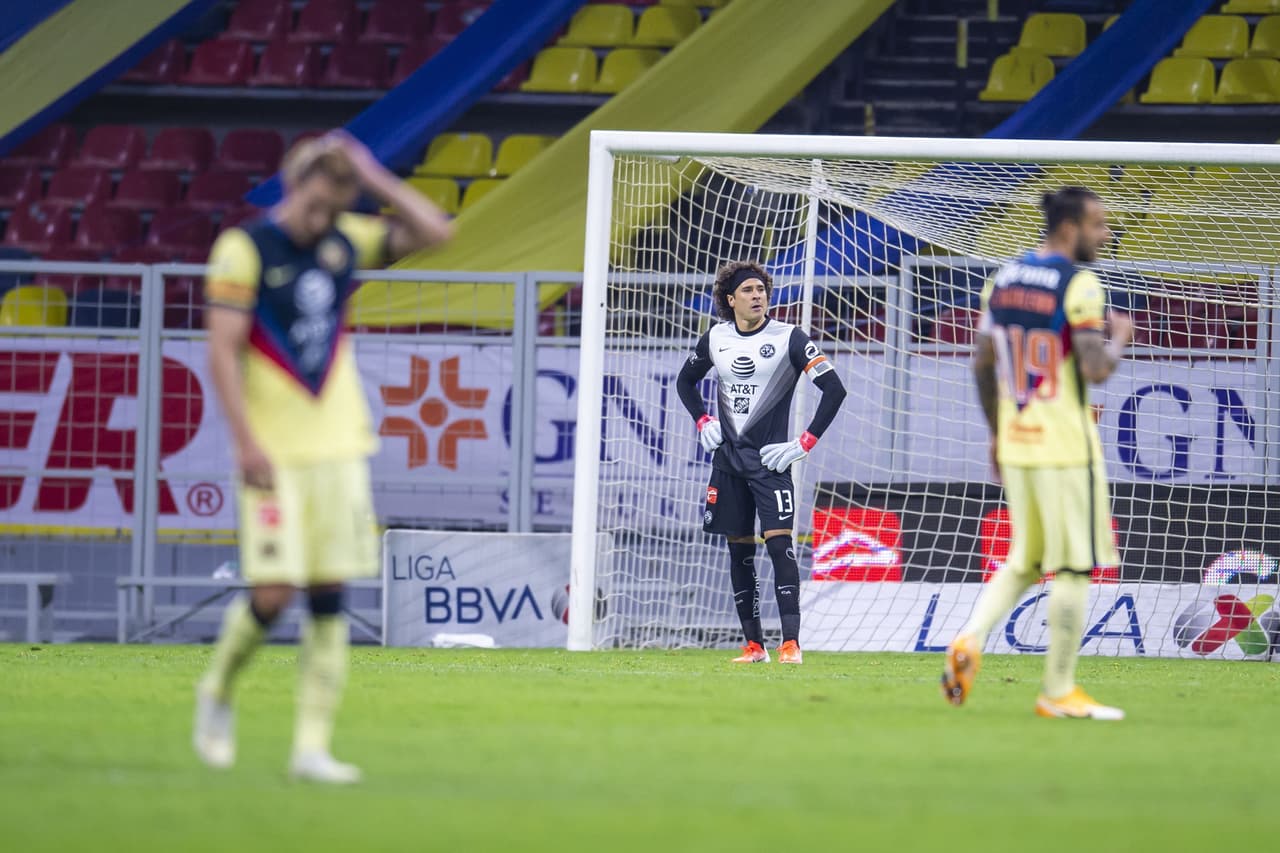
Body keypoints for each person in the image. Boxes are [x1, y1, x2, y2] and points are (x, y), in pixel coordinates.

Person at [194, 132, 453, 782]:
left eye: (337, 207)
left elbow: (436, 233)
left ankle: (311, 747)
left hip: (339, 445)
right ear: (294, 185)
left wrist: (376, 175)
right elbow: (223, 350)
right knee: (276, 594)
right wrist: (244, 440)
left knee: (330, 593)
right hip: (274, 453)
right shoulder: (243, 248)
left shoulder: (344, 237)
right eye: (316, 204)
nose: (322, 221)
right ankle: (218, 689)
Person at [942, 186, 1132, 720]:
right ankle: (1057, 689)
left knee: (1024, 559)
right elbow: (1095, 368)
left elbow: (981, 363)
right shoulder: (1080, 283)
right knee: (1074, 567)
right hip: (1067, 448)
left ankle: (970, 638)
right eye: (1098, 224)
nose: (1106, 233)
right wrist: (1119, 337)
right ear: (1070, 228)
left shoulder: (1001, 278)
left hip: (1019, 442)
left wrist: (998, 433)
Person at [676, 260, 847, 664]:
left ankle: (791, 643)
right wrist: (702, 420)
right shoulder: (716, 338)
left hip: (771, 462)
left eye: (762, 290)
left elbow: (834, 389)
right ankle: (754, 646)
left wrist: (804, 442)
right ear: (730, 299)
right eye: (749, 290)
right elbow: (685, 382)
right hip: (728, 462)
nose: (758, 296)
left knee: (779, 544)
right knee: (739, 551)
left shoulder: (789, 337)